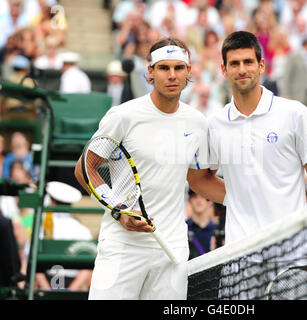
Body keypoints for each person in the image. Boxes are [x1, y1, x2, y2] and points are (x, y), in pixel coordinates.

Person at [74, 37, 225, 300]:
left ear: (189, 72)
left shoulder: (198, 122)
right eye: (164, 68)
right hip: (122, 245)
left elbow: (199, 180)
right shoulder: (123, 116)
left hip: (171, 249)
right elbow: (84, 169)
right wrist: (119, 212)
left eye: (179, 68)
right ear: (150, 72)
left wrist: (248, 198)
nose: (172, 75)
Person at [208, 31, 307, 267]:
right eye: (234, 63)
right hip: (239, 255)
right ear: (224, 70)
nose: (242, 69)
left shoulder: (294, 113)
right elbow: (199, 178)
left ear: (261, 65)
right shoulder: (214, 124)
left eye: (248, 62)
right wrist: (237, 197)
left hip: (293, 254)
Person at [186, 189, 216, 260]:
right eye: (194, 197)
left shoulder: (217, 230)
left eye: (202, 196)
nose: (199, 201)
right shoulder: (182, 229)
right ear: (190, 200)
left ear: (209, 201)